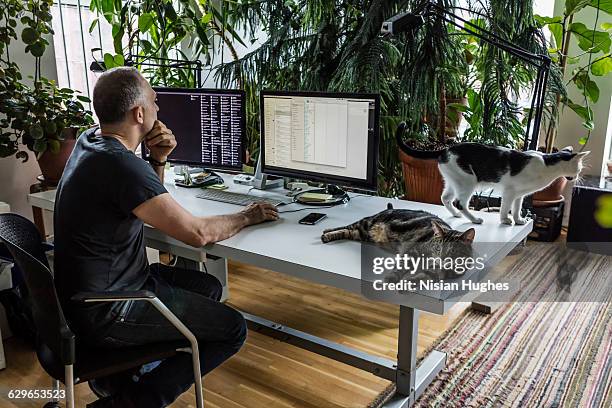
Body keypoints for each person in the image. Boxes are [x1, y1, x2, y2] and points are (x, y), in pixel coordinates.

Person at [53, 66, 279, 407]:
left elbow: (137, 201)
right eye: (155, 102)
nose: (160, 109)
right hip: (112, 309)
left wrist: (158, 159)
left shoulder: (91, 141)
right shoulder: (121, 166)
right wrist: (249, 214)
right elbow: (197, 234)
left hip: (92, 295)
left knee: (209, 287)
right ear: (139, 113)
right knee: (233, 329)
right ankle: (133, 400)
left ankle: (123, 375)